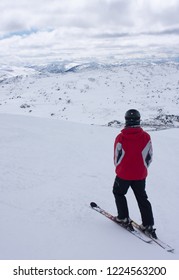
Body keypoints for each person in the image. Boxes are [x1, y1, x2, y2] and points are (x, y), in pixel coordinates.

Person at [113, 109, 157, 238]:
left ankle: (123, 218)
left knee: (119, 193)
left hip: (124, 174)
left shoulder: (121, 137)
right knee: (142, 198)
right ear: (139, 120)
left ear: (126, 120)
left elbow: (117, 157)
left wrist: (120, 169)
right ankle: (148, 225)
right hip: (140, 175)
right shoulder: (146, 136)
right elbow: (149, 157)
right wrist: (143, 168)